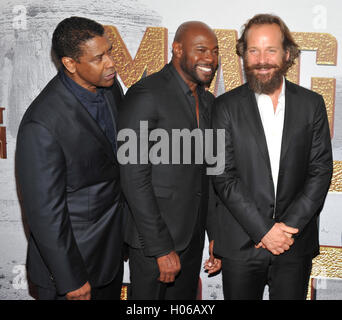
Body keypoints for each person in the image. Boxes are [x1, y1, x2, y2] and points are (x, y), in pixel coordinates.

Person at [209, 13, 333, 300]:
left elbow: (320, 170)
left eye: (270, 50)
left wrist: (286, 230)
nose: (261, 59)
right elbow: (221, 174)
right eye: (253, 50)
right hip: (241, 244)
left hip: (294, 244)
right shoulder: (223, 107)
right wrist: (263, 230)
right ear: (243, 54)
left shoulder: (311, 104)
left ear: (287, 54)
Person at [15, 17, 125, 300]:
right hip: (71, 270)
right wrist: (70, 279)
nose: (111, 63)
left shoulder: (111, 89)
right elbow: (45, 213)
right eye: (99, 58)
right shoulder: (42, 124)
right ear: (70, 64)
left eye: (109, 52)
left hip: (109, 257)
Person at [118, 21, 220, 299]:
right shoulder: (145, 94)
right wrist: (161, 248)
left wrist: (215, 236)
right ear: (177, 49)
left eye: (214, 51)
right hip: (154, 242)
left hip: (192, 238)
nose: (209, 58)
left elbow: (210, 174)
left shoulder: (208, 102)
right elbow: (133, 177)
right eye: (200, 49)